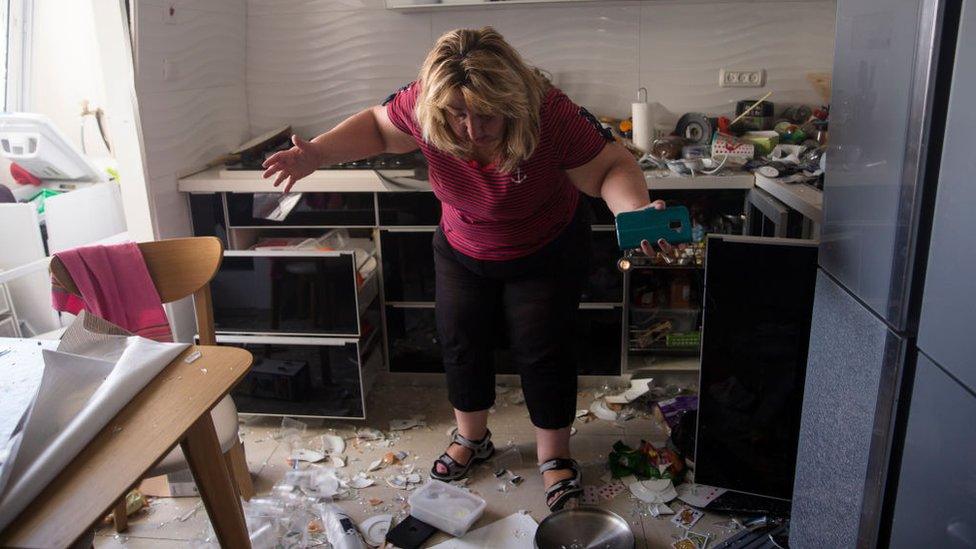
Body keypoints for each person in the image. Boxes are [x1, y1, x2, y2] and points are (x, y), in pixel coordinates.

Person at [262, 26, 665, 512]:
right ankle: (473, 439)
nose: (472, 130)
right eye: (457, 115)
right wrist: (317, 153)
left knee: (543, 349)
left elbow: (608, 169)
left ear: (512, 101)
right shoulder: (422, 105)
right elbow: (376, 126)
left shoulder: (550, 113)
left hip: (546, 247)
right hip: (463, 243)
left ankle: (554, 456)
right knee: (459, 337)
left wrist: (635, 211)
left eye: (486, 115)